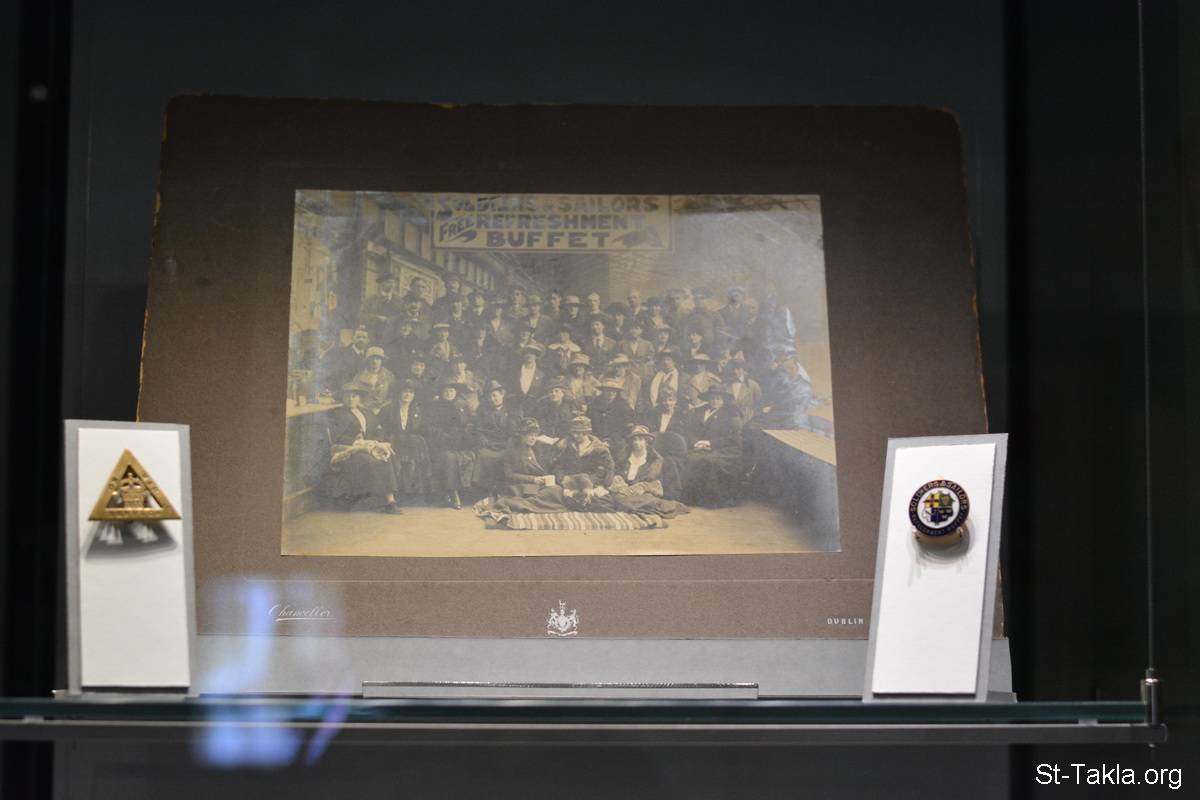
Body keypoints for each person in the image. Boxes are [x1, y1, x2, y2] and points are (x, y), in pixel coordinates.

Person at [325, 383, 402, 514]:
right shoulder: (337, 414)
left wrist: (376, 441)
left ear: (359, 398)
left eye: (354, 396)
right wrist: (360, 443)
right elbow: (337, 437)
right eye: (347, 396)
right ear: (342, 398)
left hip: (369, 445)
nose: (351, 399)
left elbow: (378, 429)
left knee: (386, 456)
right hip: (348, 448)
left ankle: (390, 500)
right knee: (370, 461)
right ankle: (384, 500)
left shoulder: (366, 412)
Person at [681, 384, 744, 507]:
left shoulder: (730, 415)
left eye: (718, 398)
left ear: (723, 400)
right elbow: (689, 430)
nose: (715, 401)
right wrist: (695, 442)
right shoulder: (698, 411)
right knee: (689, 458)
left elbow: (732, 438)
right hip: (699, 446)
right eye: (712, 398)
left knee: (709, 461)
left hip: (724, 449)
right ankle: (692, 497)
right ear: (708, 399)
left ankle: (712, 498)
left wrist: (710, 443)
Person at [424, 380, 476, 508]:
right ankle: (453, 493)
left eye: (452, 391)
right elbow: (430, 428)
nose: (449, 394)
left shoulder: (462, 406)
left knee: (470, 456)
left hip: (461, 443)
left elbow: (470, 424)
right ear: (441, 393)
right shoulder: (434, 407)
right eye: (446, 391)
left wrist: (464, 435)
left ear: (456, 392)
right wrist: (446, 436)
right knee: (450, 458)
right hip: (441, 444)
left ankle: (467, 493)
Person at [383, 379, 432, 496]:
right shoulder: (388, 409)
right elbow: (382, 429)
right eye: (405, 391)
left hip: (412, 443)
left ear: (414, 395)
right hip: (393, 442)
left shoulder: (418, 411)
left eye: (411, 392)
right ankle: (397, 491)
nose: (408, 394)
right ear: (399, 393)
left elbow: (423, 429)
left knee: (415, 456)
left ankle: (414, 491)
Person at [471, 380, 515, 492]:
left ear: (502, 394)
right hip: (489, 444)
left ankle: (502, 489)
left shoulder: (511, 410)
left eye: (495, 395)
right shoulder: (483, 410)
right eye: (490, 396)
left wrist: (508, 444)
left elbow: (514, 431)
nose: (492, 399)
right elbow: (479, 429)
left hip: (506, 445)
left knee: (506, 457)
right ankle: (484, 489)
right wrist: (483, 439)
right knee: (482, 454)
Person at [551, 416, 614, 488]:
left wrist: (592, 482)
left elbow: (606, 469)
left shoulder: (600, 450)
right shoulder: (566, 446)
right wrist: (562, 479)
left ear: (587, 433)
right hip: (569, 484)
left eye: (579, 433)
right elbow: (558, 465)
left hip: (593, 485)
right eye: (574, 433)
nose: (575, 436)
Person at [500, 418, 557, 496]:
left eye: (535, 435)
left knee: (557, 490)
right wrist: (533, 479)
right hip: (522, 486)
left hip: (537, 485)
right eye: (530, 435)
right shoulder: (513, 451)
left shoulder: (537, 448)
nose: (533, 438)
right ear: (522, 436)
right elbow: (509, 474)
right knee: (550, 493)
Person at [320, 326, 370, 393]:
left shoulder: (368, 356)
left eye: (364, 337)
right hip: (341, 392)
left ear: (368, 340)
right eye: (358, 337)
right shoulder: (339, 353)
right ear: (352, 338)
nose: (361, 340)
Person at [587, 379, 635, 447]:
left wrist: (612, 440)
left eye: (614, 391)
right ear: (603, 391)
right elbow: (589, 424)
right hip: (597, 438)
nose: (611, 393)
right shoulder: (593, 405)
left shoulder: (624, 406)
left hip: (617, 439)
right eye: (608, 390)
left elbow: (626, 426)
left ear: (617, 393)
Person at [507, 341, 547, 418]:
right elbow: (510, 391)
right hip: (516, 409)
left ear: (536, 356)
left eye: (532, 353)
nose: (529, 356)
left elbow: (543, 394)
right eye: (526, 353)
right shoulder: (515, 372)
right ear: (523, 355)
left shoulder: (542, 374)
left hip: (535, 410)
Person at [360, 273, 404, 343]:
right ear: (381, 284)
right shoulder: (371, 299)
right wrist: (376, 317)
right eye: (388, 282)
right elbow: (362, 315)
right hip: (373, 335)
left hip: (392, 336)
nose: (392, 285)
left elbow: (402, 316)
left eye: (393, 283)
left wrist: (388, 320)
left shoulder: (399, 301)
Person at [352, 346, 395, 411]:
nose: (374, 361)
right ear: (367, 361)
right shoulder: (359, 376)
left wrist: (383, 407)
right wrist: (363, 407)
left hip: (384, 410)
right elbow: (354, 395)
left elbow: (392, 395)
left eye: (377, 358)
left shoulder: (389, 376)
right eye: (372, 358)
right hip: (364, 410)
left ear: (382, 360)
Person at [726, 355, 763, 422]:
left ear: (743, 369)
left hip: (747, 420)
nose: (735, 371)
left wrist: (751, 414)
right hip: (729, 420)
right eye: (733, 369)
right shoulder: (725, 385)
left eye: (738, 369)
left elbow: (759, 404)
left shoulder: (753, 385)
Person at [619, 320, 654, 385]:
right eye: (632, 328)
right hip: (627, 374)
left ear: (641, 330)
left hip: (642, 374)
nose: (634, 331)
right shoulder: (622, 344)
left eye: (637, 328)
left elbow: (650, 361)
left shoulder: (647, 344)